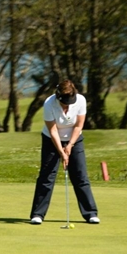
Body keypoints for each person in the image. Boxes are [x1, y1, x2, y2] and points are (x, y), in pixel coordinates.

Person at [29, 79, 99, 225]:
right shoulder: (49, 103)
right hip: (51, 140)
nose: (67, 105)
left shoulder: (80, 100)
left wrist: (70, 145)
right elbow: (53, 130)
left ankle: (90, 213)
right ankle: (37, 214)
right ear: (58, 96)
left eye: (69, 101)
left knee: (80, 176)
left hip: (75, 139)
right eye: (64, 102)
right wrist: (61, 151)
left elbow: (79, 126)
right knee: (47, 176)